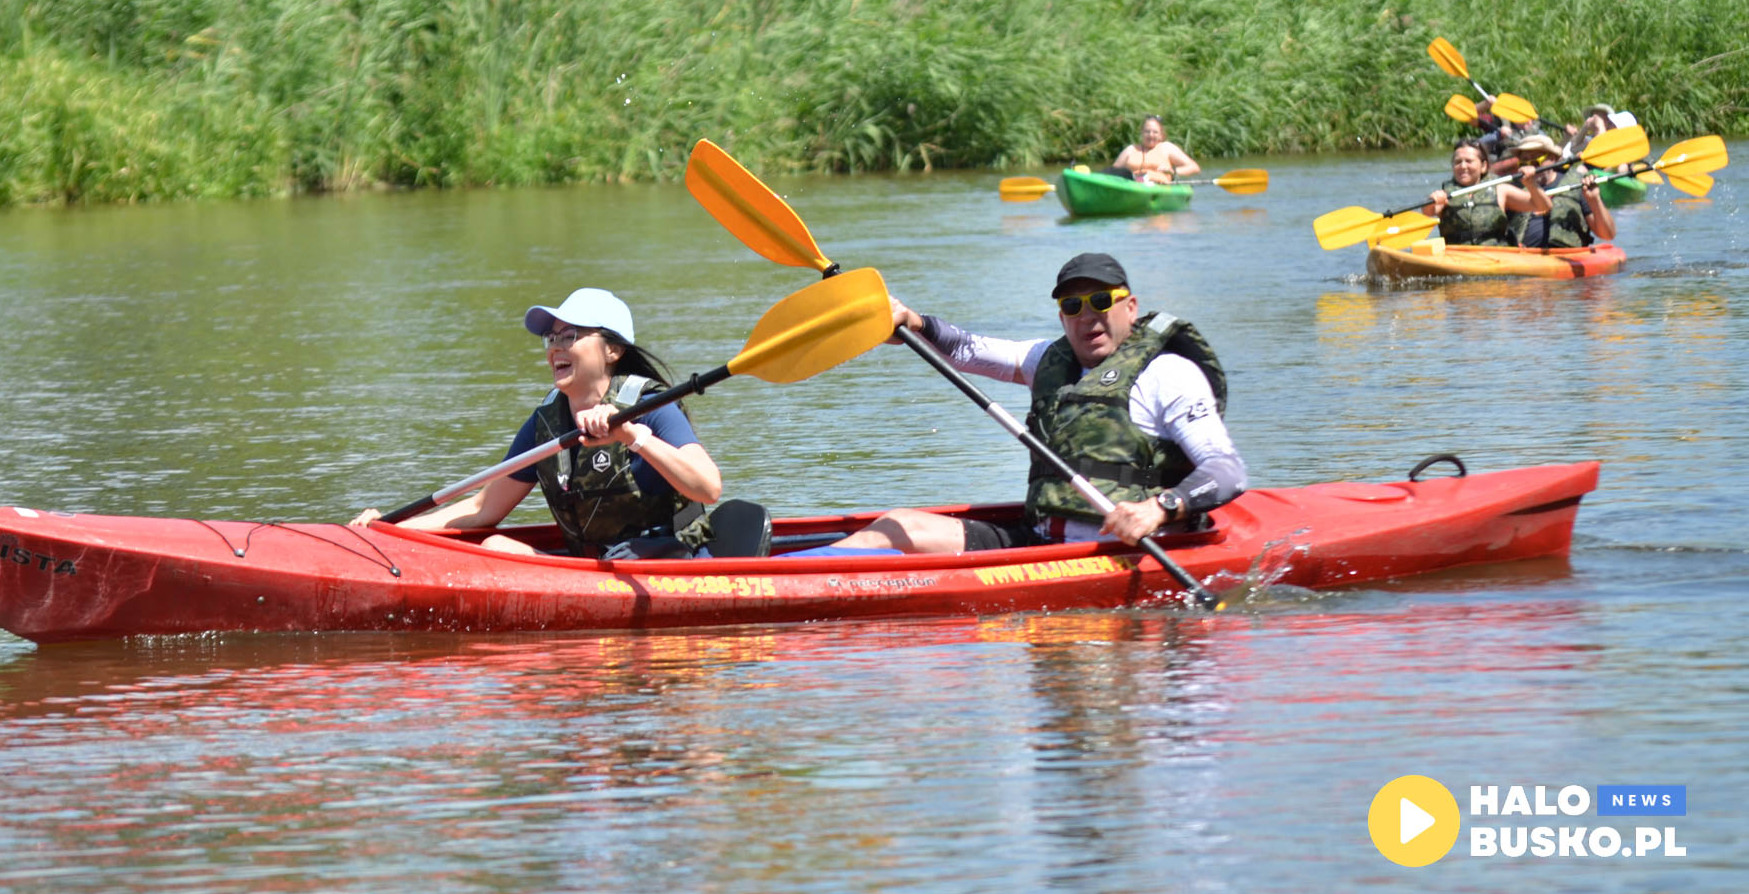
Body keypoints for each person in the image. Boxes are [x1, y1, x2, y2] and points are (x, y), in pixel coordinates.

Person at [833, 252, 1248, 554]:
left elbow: (1226, 471)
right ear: (1062, 316)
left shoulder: (1168, 374)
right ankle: (777, 576)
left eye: (1101, 301)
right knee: (898, 525)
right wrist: (912, 322)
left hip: (1129, 553)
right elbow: (967, 349)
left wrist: (1159, 508)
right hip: (1042, 544)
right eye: (1073, 306)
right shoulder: (1048, 361)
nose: (1088, 316)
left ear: (1131, 307)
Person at [350, 288, 744, 558]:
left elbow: (708, 487)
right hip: (594, 569)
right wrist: (390, 528)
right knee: (498, 547)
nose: (555, 346)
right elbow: (481, 508)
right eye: (550, 339)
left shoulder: (651, 407)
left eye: (570, 335)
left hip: (670, 564)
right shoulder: (546, 423)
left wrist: (633, 437)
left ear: (613, 349)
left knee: (498, 550)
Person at [1424, 138, 1551, 246]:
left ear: (1483, 166)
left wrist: (1530, 183)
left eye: (1469, 161)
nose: (1463, 166)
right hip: (1457, 256)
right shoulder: (1445, 193)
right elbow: (1427, 213)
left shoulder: (1500, 189)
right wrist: (1431, 202)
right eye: (1458, 162)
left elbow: (1543, 205)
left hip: (1496, 256)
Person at [1508, 133, 1615, 249]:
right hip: (1524, 257)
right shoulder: (1515, 189)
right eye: (1524, 162)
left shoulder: (1577, 184)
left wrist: (1595, 200)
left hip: (1565, 256)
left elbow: (1607, 235)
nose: (1530, 168)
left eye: (1535, 161)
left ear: (1552, 159)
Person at [1110, 115, 1201, 184]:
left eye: (1155, 132)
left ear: (1161, 135)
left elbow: (1194, 167)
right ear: (1141, 132)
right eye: (1147, 131)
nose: (1151, 135)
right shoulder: (1131, 149)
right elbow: (1112, 172)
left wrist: (1172, 171)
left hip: (1159, 185)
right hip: (1133, 184)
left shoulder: (1167, 148)